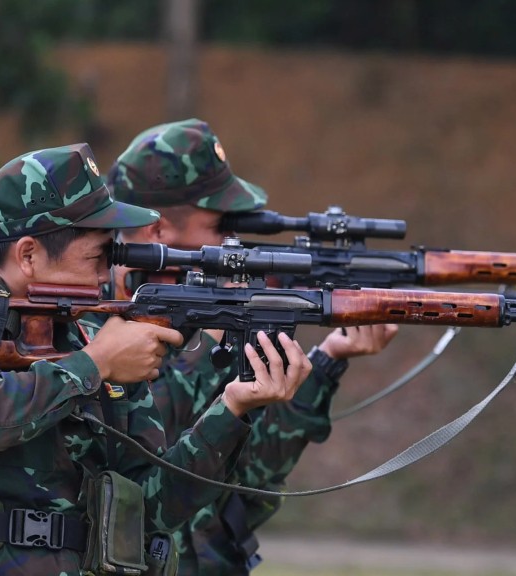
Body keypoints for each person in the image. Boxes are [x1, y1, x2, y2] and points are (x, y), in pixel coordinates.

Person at [0, 143, 311, 575]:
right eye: (98, 255)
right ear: (29, 255)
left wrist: (233, 408)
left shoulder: (95, 336)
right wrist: (94, 364)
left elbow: (151, 507)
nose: (108, 271)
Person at [107, 118, 398, 575]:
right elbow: (151, 449)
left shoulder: (207, 310)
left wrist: (326, 361)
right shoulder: (91, 319)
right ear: (159, 230)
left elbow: (253, 480)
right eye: (223, 224)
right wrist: (217, 347)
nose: (235, 238)